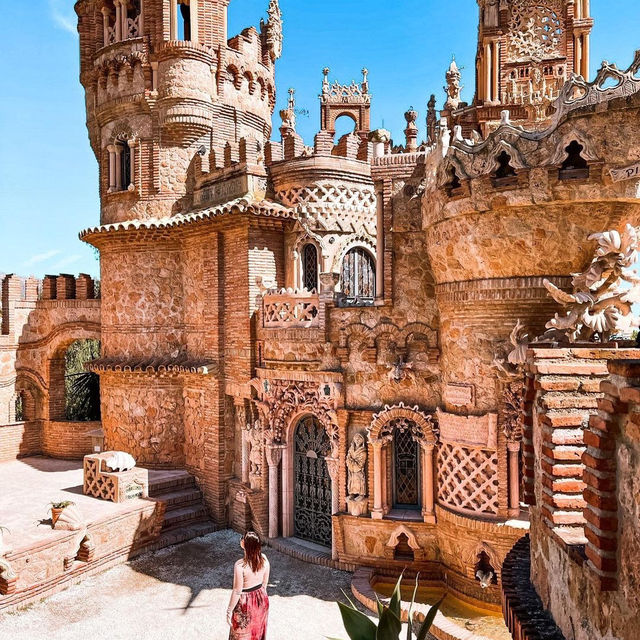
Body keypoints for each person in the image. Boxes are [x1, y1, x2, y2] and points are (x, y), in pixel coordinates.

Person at [226, 531, 270, 640]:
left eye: (243, 538)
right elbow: (264, 584)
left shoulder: (240, 566)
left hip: (245, 603)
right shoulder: (264, 559)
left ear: (244, 544)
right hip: (261, 598)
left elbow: (237, 590)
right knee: (257, 632)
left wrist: (229, 610)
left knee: (242, 635)